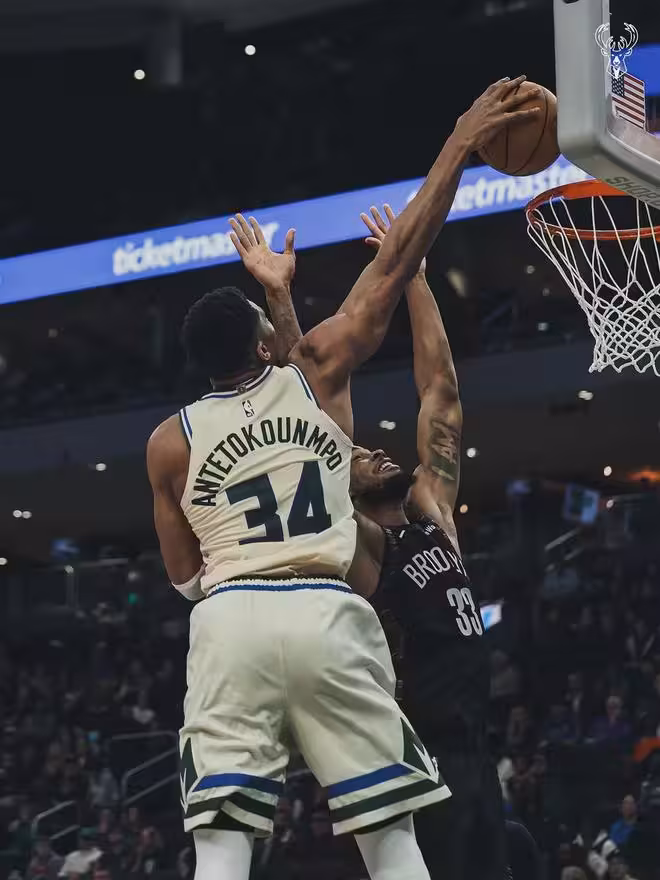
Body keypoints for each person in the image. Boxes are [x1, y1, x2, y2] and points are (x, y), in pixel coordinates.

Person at [147, 76, 539, 880]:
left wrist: (275, 296)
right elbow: (386, 277)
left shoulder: (166, 443)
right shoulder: (317, 392)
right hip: (326, 612)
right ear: (267, 346)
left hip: (231, 618)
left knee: (221, 846)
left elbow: (184, 579)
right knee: (391, 841)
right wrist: (462, 141)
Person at [258, 200, 510, 880]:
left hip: (477, 753)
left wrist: (416, 277)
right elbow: (313, 409)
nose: (371, 451)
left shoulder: (433, 513)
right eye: (358, 455)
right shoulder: (362, 546)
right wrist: (280, 300)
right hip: (417, 757)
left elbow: (441, 393)